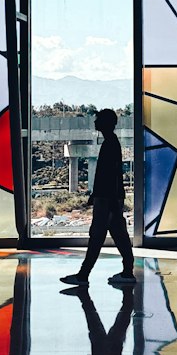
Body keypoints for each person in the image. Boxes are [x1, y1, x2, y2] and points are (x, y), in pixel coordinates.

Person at [60, 108, 135, 287]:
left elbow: (108, 175)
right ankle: (126, 272)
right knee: (118, 235)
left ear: (106, 123)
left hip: (107, 199)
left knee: (98, 236)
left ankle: (84, 275)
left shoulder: (109, 144)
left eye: (98, 119)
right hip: (110, 198)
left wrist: (104, 199)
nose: (95, 123)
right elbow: (113, 175)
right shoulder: (112, 142)